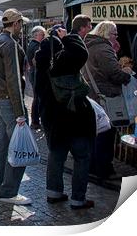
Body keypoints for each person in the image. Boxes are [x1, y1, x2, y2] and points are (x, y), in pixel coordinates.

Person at [36, 23, 96, 210]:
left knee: (56, 154)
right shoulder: (63, 62)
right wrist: (67, 37)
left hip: (53, 120)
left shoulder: (40, 67)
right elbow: (81, 52)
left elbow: (39, 95)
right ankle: (78, 199)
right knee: (81, 157)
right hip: (75, 118)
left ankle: (53, 192)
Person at [0, 8, 30, 205]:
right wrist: (20, 112)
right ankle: (9, 191)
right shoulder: (10, 44)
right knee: (18, 148)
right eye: (21, 24)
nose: (21, 28)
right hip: (10, 101)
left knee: (3, 147)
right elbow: (13, 79)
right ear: (16, 24)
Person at [84, 20, 131, 180]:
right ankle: (104, 169)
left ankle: (92, 166)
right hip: (105, 95)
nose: (116, 36)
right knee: (106, 133)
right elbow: (114, 73)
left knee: (95, 133)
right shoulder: (103, 48)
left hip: (92, 95)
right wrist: (126, 73)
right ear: (106, 33)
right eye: (114, 33)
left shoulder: (89, 45)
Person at [26, 26, 46, 130]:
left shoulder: (31, 44)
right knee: (37, 97)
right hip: (36, 73)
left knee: (36, 97)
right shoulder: (36, 45)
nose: (43, 36)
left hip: (33, 73)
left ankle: (35, 120)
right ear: (37, 35)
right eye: (42, 34)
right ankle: (35, 121)